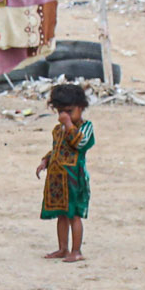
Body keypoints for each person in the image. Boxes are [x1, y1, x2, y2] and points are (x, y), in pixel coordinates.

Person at [38, 82, 93, 262]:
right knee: (62, 214)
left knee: (74, 215)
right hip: (57, 179)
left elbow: (80, 144)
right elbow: (57, 149)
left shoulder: (85, 127)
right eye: (61, 111)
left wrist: (69, 125)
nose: (64, 116)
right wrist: (45, 160)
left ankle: (76, 251)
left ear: (81, 108)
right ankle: (63, 248)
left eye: (69, 111)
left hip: (74, 179)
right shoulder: (58, 130)